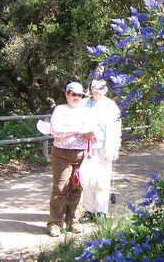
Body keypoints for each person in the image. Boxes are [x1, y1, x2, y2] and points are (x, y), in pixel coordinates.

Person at [47, 82, 94, 237]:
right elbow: (55, 130)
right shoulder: (60, 110)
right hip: (61, 154)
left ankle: (72, 220)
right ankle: (54, 222)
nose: (76, 97)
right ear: (67, 94)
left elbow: (91, 132)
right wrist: (77, 130)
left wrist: (89, 135)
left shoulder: (86, 112)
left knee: (77, 188)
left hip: (81, 155)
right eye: (73, 94)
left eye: (79, 95)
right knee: (60, 188)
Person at [79, 79, 122, 223]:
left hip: (104, 147)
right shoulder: (83, 103)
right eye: (95, 88)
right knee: (86, 179)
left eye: (101, 88)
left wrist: (114, 148)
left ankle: (101, 212)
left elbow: (116, 129)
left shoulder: (111, 106)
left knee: (102, 180)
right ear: (90, 89)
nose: (97, 91)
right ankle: (89, 210)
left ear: (106, 90)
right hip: (85, 147)